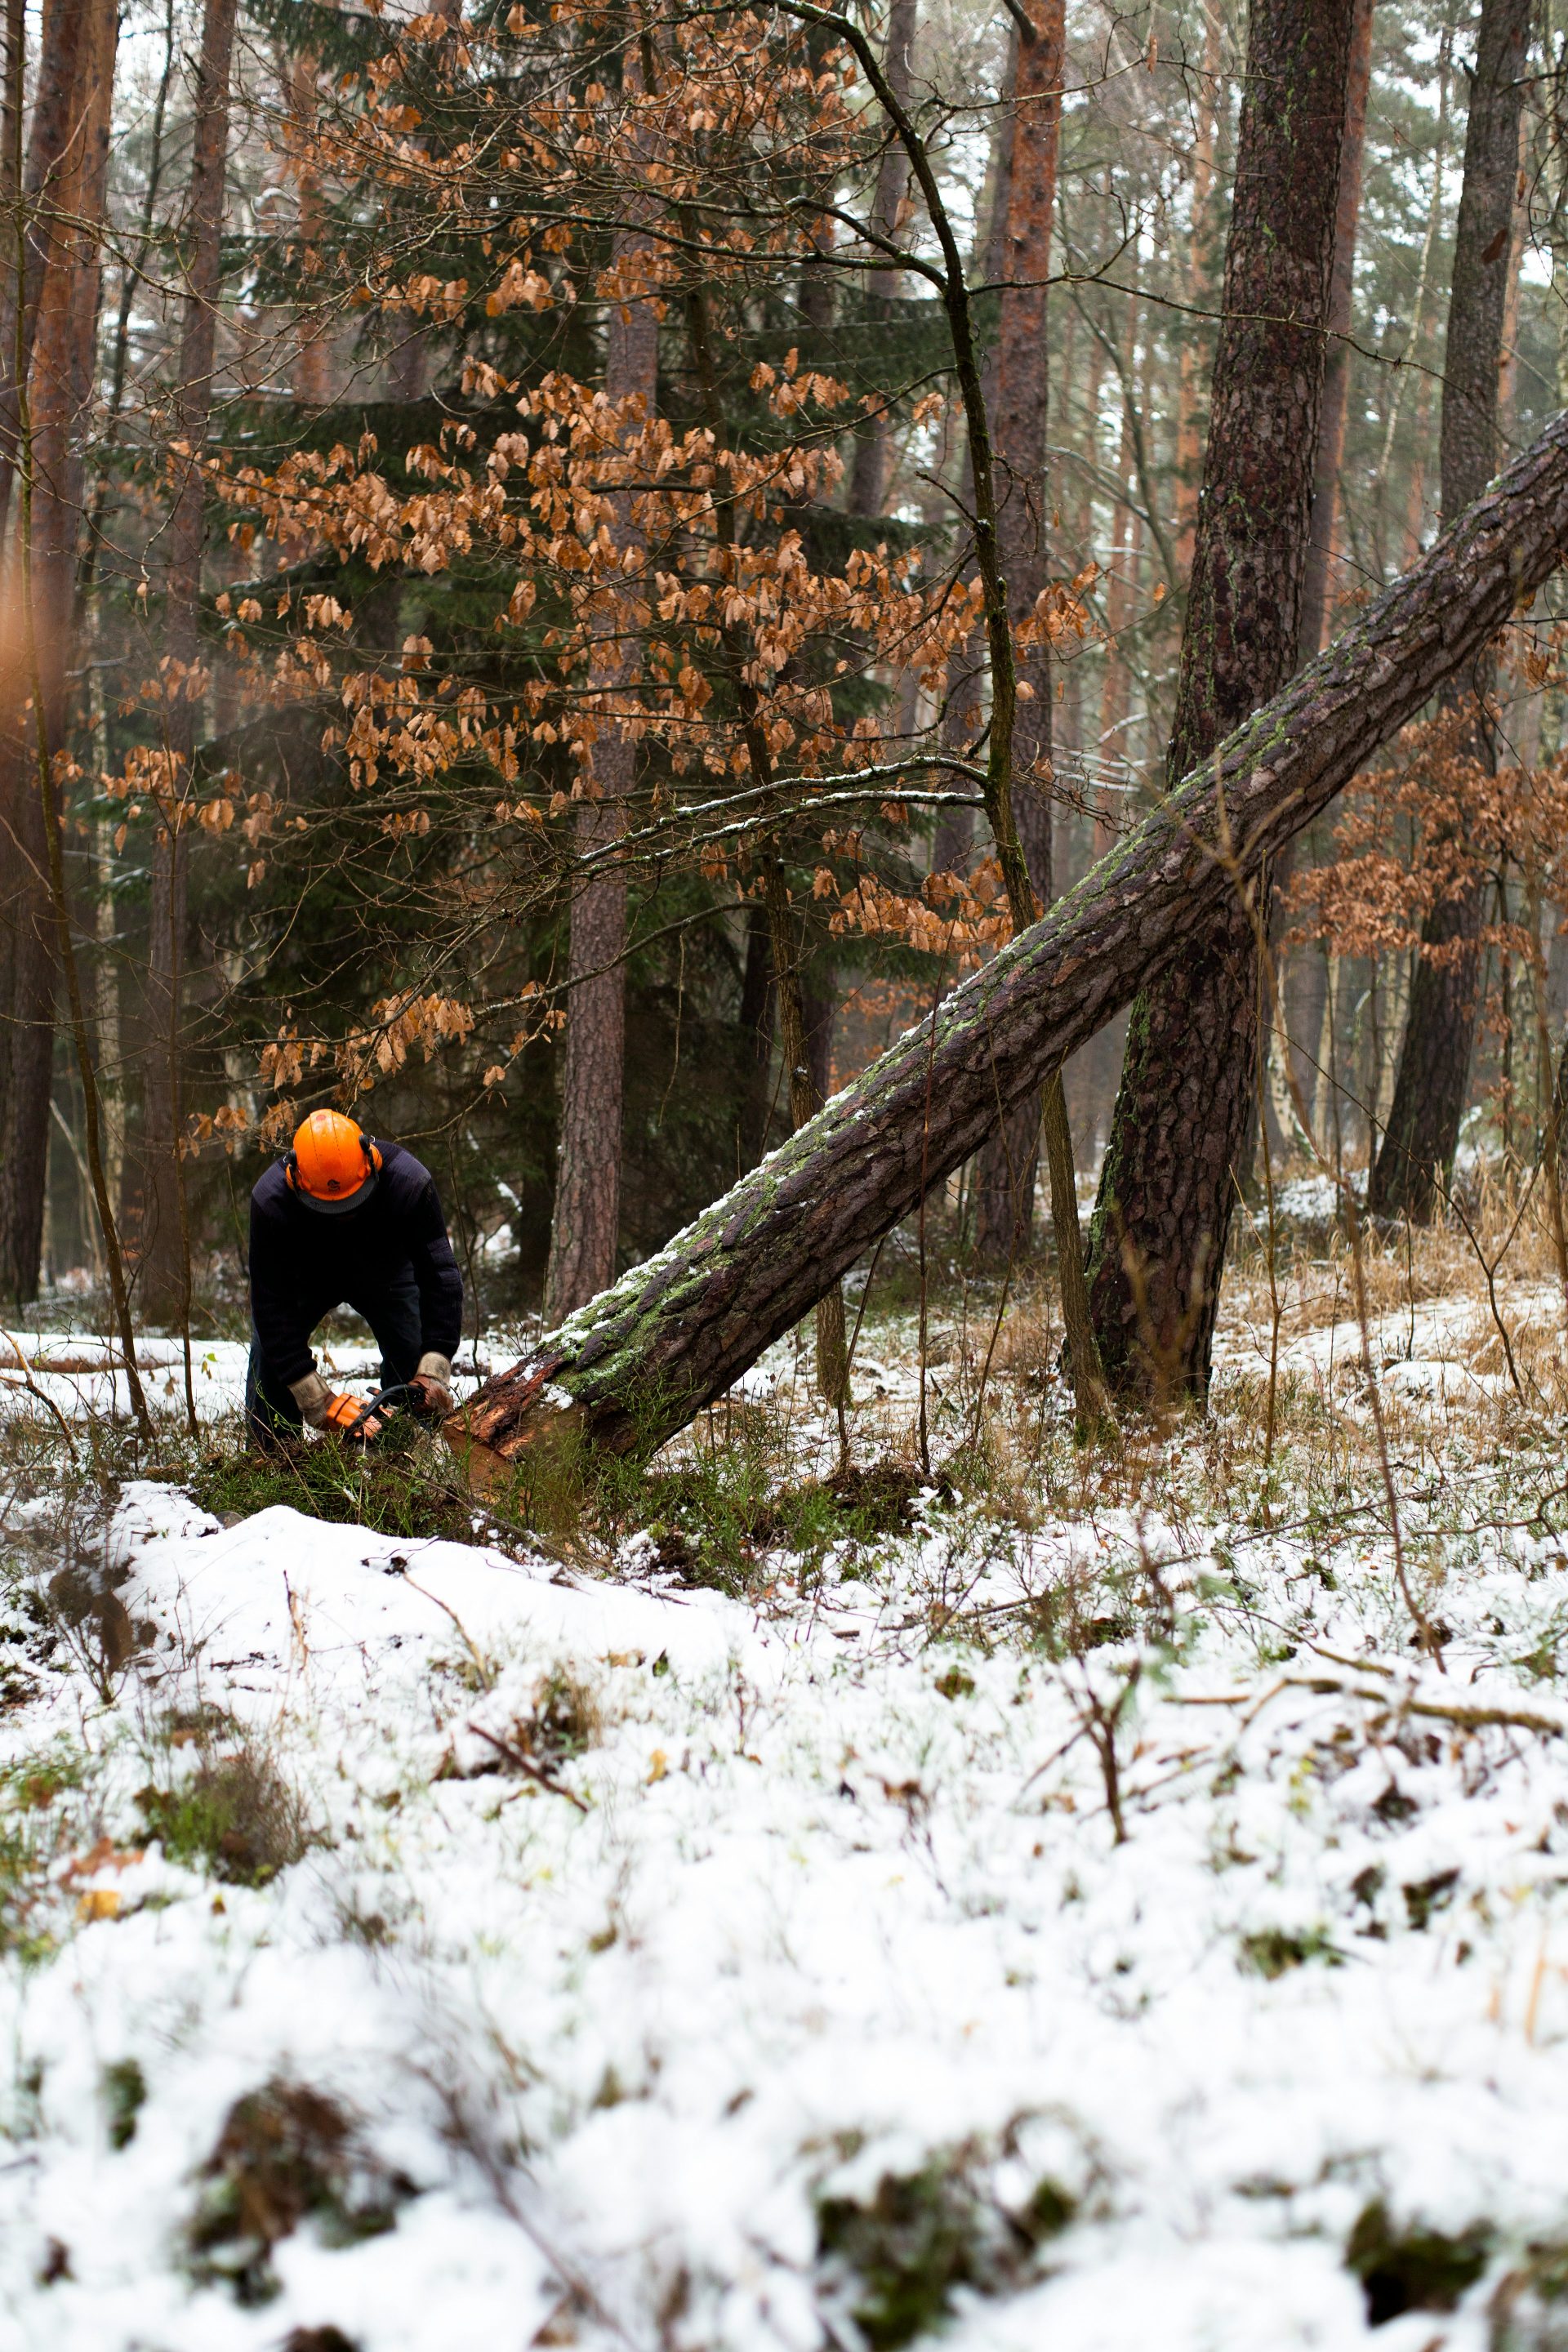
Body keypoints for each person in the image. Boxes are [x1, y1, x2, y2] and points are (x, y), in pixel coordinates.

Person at [246, 1109, 463, 1445]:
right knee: (270, 1359)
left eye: (353, 1202)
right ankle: (271, 1460)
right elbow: (270, 1303)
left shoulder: (409, 1182)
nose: (344, 1215)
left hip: (386, 1270)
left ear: (371, 1161)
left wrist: (435, 1368)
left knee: (413, 1351)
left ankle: (402, 1453)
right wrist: (313, 1397)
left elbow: (440, 1276)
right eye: (330, 1208)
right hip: (306, 1277)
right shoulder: (270, 1201)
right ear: (295, 1180)